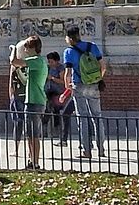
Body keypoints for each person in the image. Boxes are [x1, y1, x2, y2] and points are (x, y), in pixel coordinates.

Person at [61, 24, 108, 159]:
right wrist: (98, 78)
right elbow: (103, 66)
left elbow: (68, 72)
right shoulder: (92, 46)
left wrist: (67, 85)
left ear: (69, 38)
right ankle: (101, 149)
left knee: (82, 118)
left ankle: (86, 150)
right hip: (94, 84)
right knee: (97, 116)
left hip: (79, 84)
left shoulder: (68, 52)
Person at [10, 36, 47, 169]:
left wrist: (14, 49)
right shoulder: (39, 61)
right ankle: (32, 161)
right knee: (30, 135)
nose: (25, 50)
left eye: (26, 47)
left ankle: (35, 162)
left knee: (34, 135)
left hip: (34, 101)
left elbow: (14, 62)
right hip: (34, 101)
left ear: (33, 48)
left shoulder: (36, 60)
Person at [43, 51, 73, 144]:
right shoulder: (48, 68)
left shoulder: (61, 68)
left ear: (56, 61)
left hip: (57, 91)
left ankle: (57, 128)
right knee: (47, 108)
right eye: (49, 61)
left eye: (52, 61)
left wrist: (52, 78)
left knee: (56, 109)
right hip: (48, 90)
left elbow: (63, 81)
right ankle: (45, 128)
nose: (50, 64)